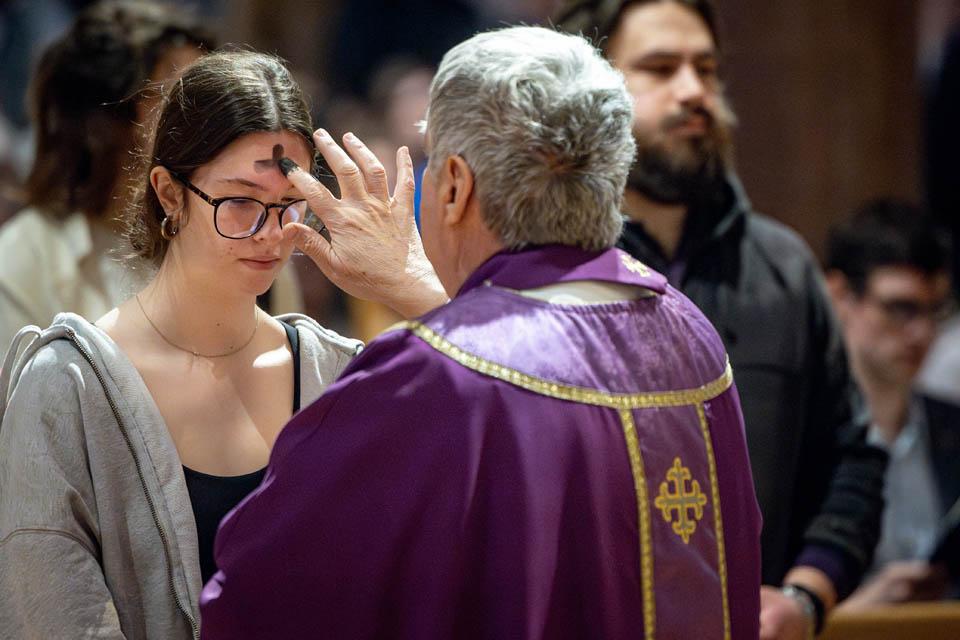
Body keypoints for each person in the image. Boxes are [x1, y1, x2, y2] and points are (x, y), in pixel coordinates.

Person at [200, 25, 761, 639]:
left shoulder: (437, 373)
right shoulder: (690, 335)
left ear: (457, 186)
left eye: (433, 164)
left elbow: (263, 589)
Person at [0, 48, 436, 639]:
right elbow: (51, 614)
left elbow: (501, 462)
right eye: (238, 203)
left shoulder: (341, 374)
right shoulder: (66, 383)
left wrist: (415, 291)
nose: (269, 235)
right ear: (169, 193)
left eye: (287, 205)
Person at [554, 1, 887, 638]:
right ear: (584, 95)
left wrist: (805, 595)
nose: (694, 91)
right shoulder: (552, 274)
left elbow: (852, 459)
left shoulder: (782, 267)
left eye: (705, 69)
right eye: (660, 67)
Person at [0, 0, 303, 355]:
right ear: (101, 123)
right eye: (175, 98)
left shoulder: (251, 234)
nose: (208, 122)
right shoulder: (24, 257)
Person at [824, 199, 959, 608]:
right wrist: (866, 607)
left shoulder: (952, 426)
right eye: (901, 308)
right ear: (840, 295)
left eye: (935, 310)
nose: (921, 332)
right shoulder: (799, 437)